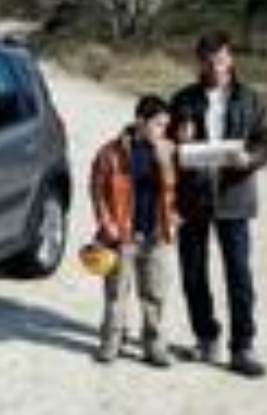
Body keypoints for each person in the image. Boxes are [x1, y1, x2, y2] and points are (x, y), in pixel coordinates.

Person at [170, 32, 267, 378]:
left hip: (234, 197)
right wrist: (177, 137)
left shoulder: (250, 99)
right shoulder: (183, 99)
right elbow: (164, 140)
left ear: (231, 59)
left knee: (239, 274)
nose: (215, 67)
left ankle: (242, 347)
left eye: (221, 59)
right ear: (199, 62)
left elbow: (265, 142)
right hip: (192, 197)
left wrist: (251, 158)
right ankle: (206, 338)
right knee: (193, 272)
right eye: (208, 60)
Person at [90, 95, 181, 367]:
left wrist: (175, 216)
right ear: (140, 121)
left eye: (166, 125)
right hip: (123, 235)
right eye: (158, 124)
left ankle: (154, 346)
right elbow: (97, 189)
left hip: (157, 234)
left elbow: (179, 189)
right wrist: (106, 222)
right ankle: (111, 342)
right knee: (116, 293)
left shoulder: (169, 151)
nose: (163, 130)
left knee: (155, 294)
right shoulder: (110, 152)